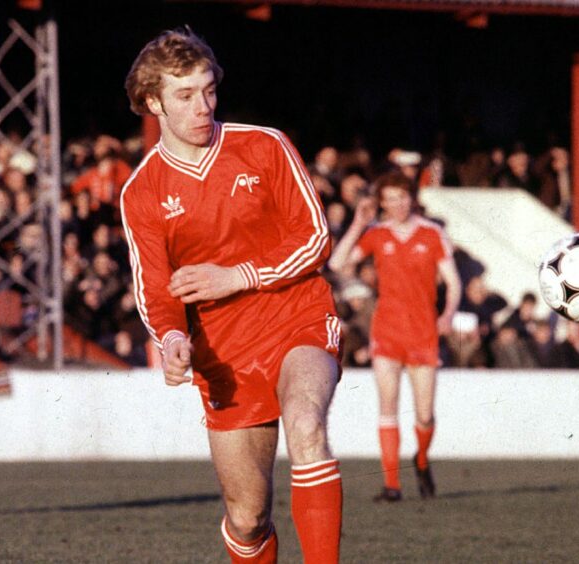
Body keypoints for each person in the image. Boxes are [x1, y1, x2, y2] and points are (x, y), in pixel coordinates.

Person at [120, 28, 343, 562]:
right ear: (153, 102)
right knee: (248, 519)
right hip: (224, 353)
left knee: (307, 425)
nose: (203, 106)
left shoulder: (264, 145)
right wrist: (172, 336)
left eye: (209, 90)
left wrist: (238, 275)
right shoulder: (142, 192)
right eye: (185, 95)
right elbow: (156, 289)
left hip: (298, 317)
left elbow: (315, 239)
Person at [328, 170, 462, 502]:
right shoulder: (377, 234)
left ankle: (421, 459)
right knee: (388, 405)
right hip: (387, 330)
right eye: (389, 199)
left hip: (423, 332)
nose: (396, 205)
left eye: (401, 197)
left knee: (424, 413)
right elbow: (337, 262)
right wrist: (359, 223)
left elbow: (454, 283)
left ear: (411, 198)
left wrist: (447, 314)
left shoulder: (432, 234)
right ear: (382, 203)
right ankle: (392, 485)